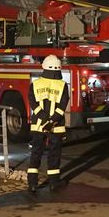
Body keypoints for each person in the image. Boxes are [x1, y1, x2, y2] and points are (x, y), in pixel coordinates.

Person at [27, 55, 70, 194]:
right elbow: (63, 105)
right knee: (54, 153)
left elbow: (33, 104)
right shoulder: (62, 85)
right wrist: (51, 121)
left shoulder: (35, 84)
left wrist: (44, 119)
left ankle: (32, 184)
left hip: (38, 125)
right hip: (55, 125)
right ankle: (53, 183)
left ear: (44, 67)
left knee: (36, 152)